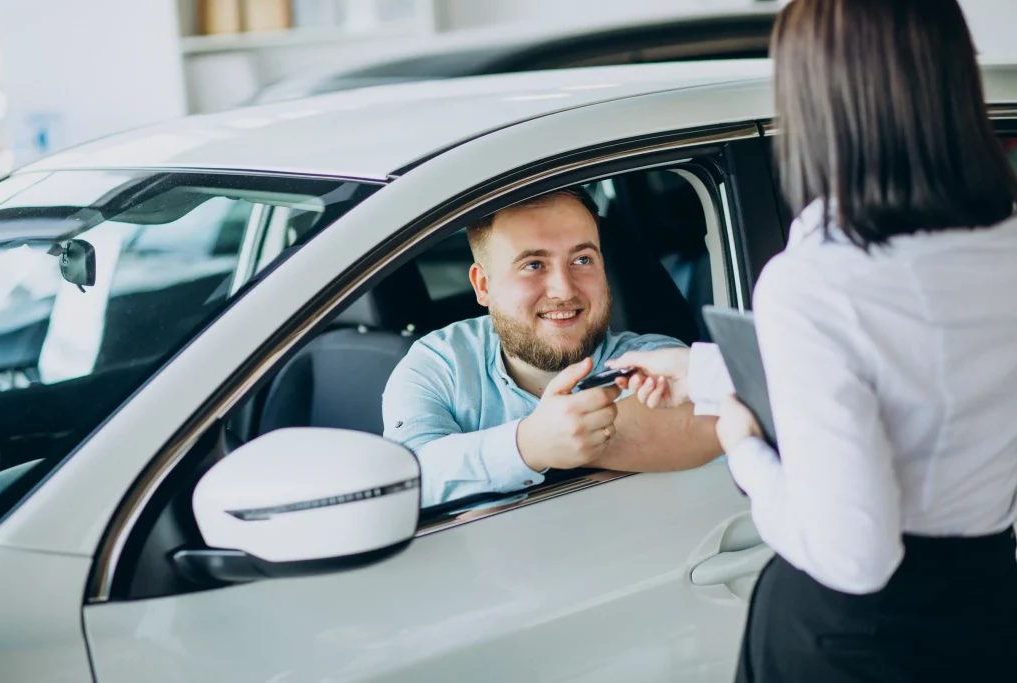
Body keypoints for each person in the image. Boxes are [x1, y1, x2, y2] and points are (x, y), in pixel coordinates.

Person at [609, 0, 1017, 680]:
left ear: (816, 99)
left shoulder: (817, 280)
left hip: (856, 643)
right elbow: (915, 369)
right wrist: (705, 372)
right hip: (988, 613)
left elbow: (856, 555)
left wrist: (743, 445)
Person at [382, 187, 722, 507]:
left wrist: (567, 441)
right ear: (483, 285)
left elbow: (709, 425)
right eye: (533, 265)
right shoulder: (439, 364)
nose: (563, 290)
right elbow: (403, 481)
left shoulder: (651, 362)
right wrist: (527, 444)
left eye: (582, 260)